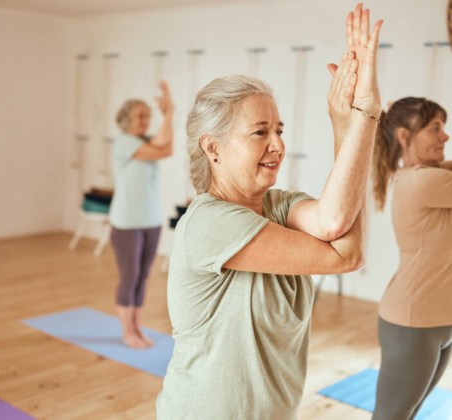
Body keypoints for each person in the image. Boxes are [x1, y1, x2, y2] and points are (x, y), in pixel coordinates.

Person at [156, 4, 383, 419]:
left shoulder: (280, 206)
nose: (276, 144)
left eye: (278, 130)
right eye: (259, 132)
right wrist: (365, 117)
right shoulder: (209, 222)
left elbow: (336, 219)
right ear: (213, 148)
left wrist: (345, 121)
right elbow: (344, 249)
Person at [371, 97, 450, 420]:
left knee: (410, 411)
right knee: (393, 414)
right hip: (412, 323)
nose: (445, 136)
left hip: (440, 319)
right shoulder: (422, 181)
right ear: (405, 137)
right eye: (435, 128)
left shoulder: (430, 176)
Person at [109, 81, 174, 349]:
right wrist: (168, 114)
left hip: (151, 221)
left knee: (143, 275)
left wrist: (169, 113)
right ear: (126, 121)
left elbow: (167, 147)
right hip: (126, 223)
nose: (145, 121)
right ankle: (127, 332)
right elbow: (163, 146)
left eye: (148, 116)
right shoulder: (124, 143)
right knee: (130, 275)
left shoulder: (145, 142)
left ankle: (137, 327)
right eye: (140, 116)